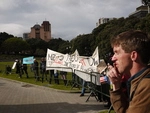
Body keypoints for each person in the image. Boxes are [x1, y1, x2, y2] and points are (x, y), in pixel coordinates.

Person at [107, 30, 150, 113]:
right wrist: (116, 85)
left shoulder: (147, 85)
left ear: (133, 55)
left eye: (117, 53)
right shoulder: (138, 80)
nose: (113, 58)